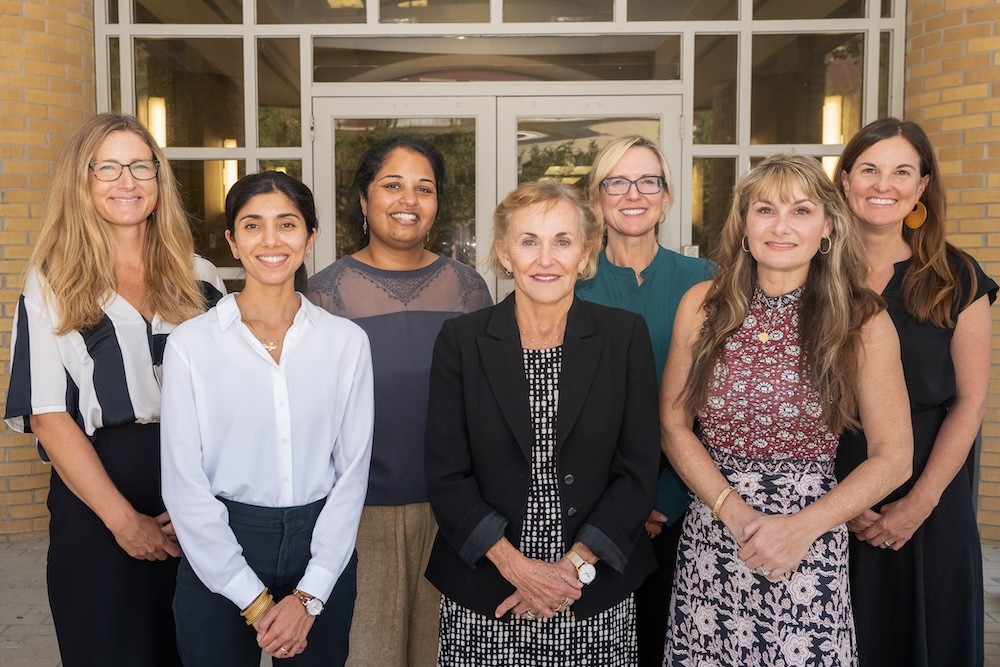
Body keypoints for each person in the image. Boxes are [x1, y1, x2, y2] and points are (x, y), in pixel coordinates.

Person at [661, 153, 913, 666]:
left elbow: (894, 456)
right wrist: (733, 512)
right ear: (744, 224)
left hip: (810, 538)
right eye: (765, 210)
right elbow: (673, 424)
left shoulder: (861, 319)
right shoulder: (702, 306)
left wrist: (798, 529)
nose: (781, 226)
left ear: (827, 228)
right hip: (716, 531)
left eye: (800, 211)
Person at [3, 112, 225, 667]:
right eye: (108, 168)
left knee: (197, 650)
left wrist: (209, 501)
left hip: (195, 493)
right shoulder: (53, 277)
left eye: (140, 166)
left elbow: (230, 402)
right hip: (96, 497)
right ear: (82, 181)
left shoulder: (202, 278)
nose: (127, 181)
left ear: (159, 180)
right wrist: (125, 521)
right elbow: (48, 415)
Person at [424, 181, 660, 665]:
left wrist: (570, 569)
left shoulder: (623, 337)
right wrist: (517, 569)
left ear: (586, 254)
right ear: (504, 254)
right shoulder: (461, 341)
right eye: (529, 240)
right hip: (487, 589)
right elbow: (446, 474)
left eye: (562, 241)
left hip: (592, 590)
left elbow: (638, 468)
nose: (545, 258)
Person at [160, 171, 373, 665]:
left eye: (287, 224)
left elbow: (352, 473)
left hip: (321, 542)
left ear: (310, 237)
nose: (271, 240)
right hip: (221, 541)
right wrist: (253, 601)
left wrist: (309, 594)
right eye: (253, 226)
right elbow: (183, 482)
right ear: (232, 241)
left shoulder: (345, 343)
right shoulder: (192, 344)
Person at [308, 135, 491, 666]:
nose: (408, 200)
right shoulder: (322, 294)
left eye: (423, 188)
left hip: (454, 512)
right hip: (357, 514)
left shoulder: (468, 289)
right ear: (363, 200)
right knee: (368, 654)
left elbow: (487, 405)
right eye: (392, 185)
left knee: (446, 654)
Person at [835, 118, 997, 667]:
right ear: (844, 180)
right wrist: (840, 501)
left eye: (902, 171)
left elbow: (970, 400)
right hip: (824, 490)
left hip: (929, 490)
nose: (885, 184)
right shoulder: (810, 271)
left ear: (922, 187)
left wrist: (917, 505)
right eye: (870, 169)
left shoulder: (958, 277)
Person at [575, 135, 713, 666]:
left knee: (667, 640)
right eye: (617, 181)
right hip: (593, 506)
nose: (634, 194)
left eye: (648, 181)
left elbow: (714, 399)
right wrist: (621, 504)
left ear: (666, 195)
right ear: (597, 196)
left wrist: (667, 496)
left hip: (686, 500)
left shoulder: (704, 281)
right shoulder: (572, 284)